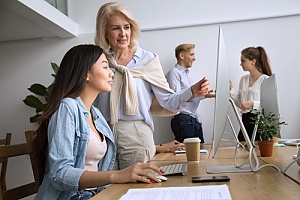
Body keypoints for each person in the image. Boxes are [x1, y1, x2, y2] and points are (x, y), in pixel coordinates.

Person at [32, 44, 163, 200]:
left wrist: (158, 148)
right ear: (86, 74)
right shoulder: (67, 108)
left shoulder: (96, 114)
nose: (111, 74)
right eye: (105, 67)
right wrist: (116, 176)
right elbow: (60, 173)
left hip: (96, 194)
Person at [94, 2, 210, 170]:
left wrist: (191, 91)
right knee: (106, 191)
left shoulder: (147, 60)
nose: (123, 34)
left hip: (136, 133)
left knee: (135, 191)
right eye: (115, 28)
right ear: (104, 30)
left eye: (126, 27)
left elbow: (168, 101)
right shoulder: (98, 60)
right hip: (103, 135)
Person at [166, 44, 214, 144]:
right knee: (187, 155)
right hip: (183, 119)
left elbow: (190, 97)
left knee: (200, 153)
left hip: (192, 119)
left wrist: (205, 95)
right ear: (182, 56)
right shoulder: (174, 73)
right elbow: (176, 99)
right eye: (191, 55)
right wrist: (195, 93)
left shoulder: (187, 75)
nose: (194, 58)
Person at [230, 46, 272, 142]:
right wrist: (231, 89)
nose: (240, 64)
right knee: (242, 149)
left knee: (258, 152)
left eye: (243, 61)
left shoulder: (266, 80)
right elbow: (239, 103)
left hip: (259, 124)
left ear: (253, 61)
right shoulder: (243, 79)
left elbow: (269, 106)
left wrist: (252, 103)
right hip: (245, 121)